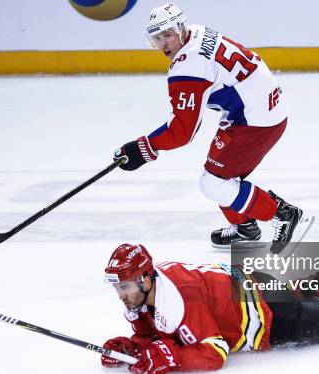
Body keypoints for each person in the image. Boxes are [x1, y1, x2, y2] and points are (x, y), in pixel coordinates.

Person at [112, 3, 306, 253]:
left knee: (213, 183)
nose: (164, 45)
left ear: (181, 28)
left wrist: (144, 148)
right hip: (259, 110)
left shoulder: (188, 65)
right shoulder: (197, 32)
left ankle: (283, 214)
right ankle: (245, 227)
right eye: (157, 38)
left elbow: (183, 130)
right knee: (220, 174)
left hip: (255, 121)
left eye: (168, 35)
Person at [100, 243, 319, 374]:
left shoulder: (178, 300)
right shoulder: (151, 289)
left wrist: (169, 358)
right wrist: (135, 346)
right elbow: (155, 331)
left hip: (270, 318)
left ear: (146, 279)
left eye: (126, 286)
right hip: (258, 286)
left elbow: (213, 352)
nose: (121, 295)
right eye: (118, 287)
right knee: (290, 297)